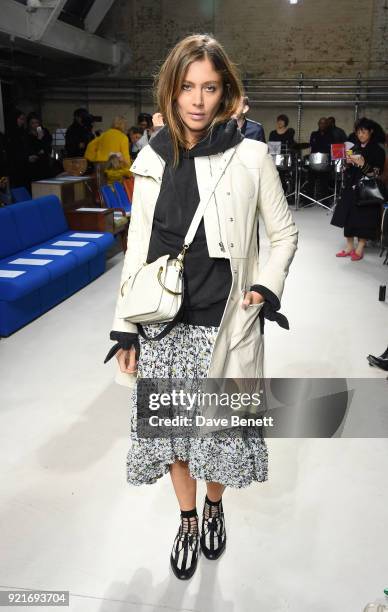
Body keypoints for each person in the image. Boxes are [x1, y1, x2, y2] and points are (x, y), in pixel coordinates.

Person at [104, 33, 298, 580]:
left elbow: (282, 235)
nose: (196, 100)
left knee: (220, 436)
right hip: (161, 327)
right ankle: (188, 517)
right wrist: (125, 331)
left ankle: (214, 504)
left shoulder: (251, 154)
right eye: (187, 87)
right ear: (171, 90)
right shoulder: (150, 158)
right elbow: (138, 247)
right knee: (172, 436)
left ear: (225, 92)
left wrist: (265, 287)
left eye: (209, 87)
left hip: (224, 325)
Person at [331, 117, 386, 260]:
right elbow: (346, 168)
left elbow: (375, 173)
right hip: (350, 184)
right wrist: (347, 163)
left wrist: (362, 164)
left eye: (363, 132)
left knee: (364, 218)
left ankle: (360, 248)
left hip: (366, 188)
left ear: (371, 132)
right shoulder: (353, 146)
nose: (360, 135)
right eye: (358, 132)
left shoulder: (378, 150)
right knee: (347, 215)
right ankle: (349, 246)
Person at [25, 112, 53, 182]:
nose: (35, 125)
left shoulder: (43, 131)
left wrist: (41, 139)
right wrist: (38, 140)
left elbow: (48, 145)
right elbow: (29, 148)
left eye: (36, 122)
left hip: (44, 162)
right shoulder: (26, 134)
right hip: (33, 164)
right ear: (29, 124)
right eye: (32, 123)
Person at [5, 109, 29, 189]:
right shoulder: (10, 133)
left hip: (24, 165)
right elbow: (13, 150)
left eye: (23, 120)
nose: (22, 122)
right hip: (14, 165)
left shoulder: (23, 132)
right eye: (21, 119)